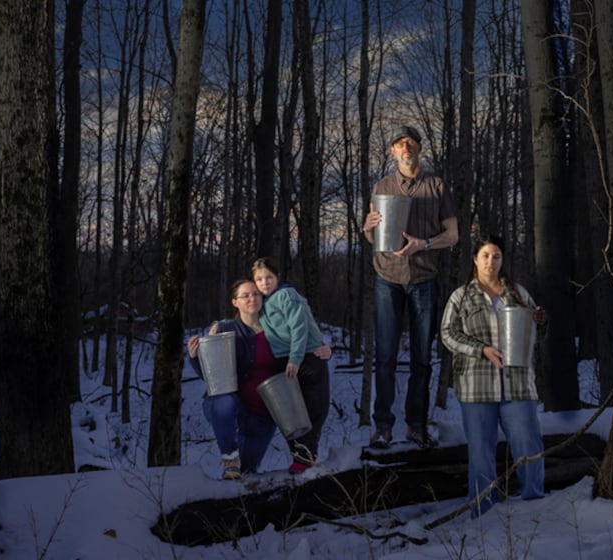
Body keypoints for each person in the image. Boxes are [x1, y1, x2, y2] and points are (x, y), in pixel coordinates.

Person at [362, 124, 459, 449]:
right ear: (393, 150)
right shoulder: (382, 186)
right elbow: (374, 236)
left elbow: (453, 235)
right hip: (387, 278)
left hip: (423, 278)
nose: (407, 148)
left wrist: (425, 244)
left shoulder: (436, 186)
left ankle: (417, 426)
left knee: (421, 359)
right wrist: (367, 228)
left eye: (412, 143)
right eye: (401, 144)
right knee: (386, 357)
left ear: (419, 149)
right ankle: (383, 427)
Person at [440, 233, 547, 517]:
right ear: (475, 259)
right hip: (476, 386)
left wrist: (539, 321)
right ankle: (484, 510)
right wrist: (480, 349)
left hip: (517, 386)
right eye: (485, 255)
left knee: (528, 443)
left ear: (502, 260)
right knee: (481, 451)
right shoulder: (461, 297)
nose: (491, 261)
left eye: (496, 256)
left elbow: (534, 334)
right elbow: (448, 335)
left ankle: (536, 504)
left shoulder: (518, 294)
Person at [187, 279, 331, 479]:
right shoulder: (225, 330)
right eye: (245, 295)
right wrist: (195, 358)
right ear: (234, 302)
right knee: (225, 400)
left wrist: (325, 351)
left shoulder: (279, 330)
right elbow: (213, 378)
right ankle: (229, 460)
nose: (252, 298)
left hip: (263, 414)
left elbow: (306, 345)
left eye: (256, 294)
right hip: (231, 408)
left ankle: (238, 497)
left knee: (247, 472)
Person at [250, 257, 332, 474]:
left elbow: (299, 328)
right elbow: (242, 318)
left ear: (277, 277)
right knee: (291, 414)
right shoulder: (261, 302)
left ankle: (305, 458)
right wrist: (217, 325)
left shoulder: (286, 295)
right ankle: (301, 457)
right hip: (284, 362)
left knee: (316, 408)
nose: (265, 282)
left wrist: (295, 359)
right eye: (259, 279)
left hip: (307, 357)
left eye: (269, 277)